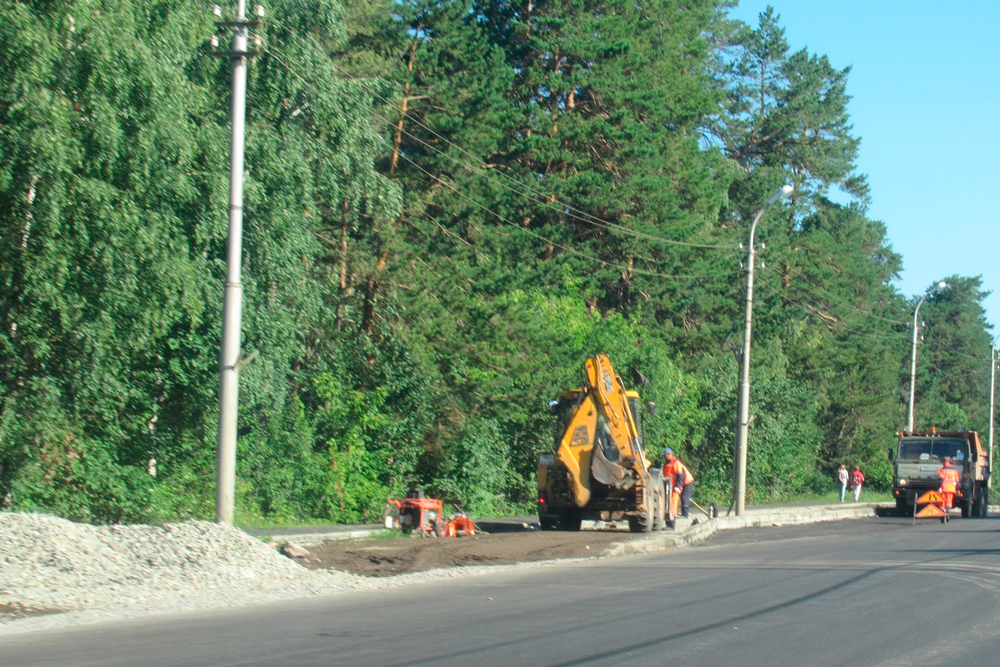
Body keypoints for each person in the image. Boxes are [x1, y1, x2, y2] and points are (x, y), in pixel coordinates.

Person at [663, 448, 695, 518]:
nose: (664, 458)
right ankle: (677, 513)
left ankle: (685, 514)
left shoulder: (676, 463)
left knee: (684, 497)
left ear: (670, 454)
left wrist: (678, 487)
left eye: (665, 456)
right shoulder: (667, 464)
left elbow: (681, 476)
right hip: (679, 482)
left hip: (687, 481)